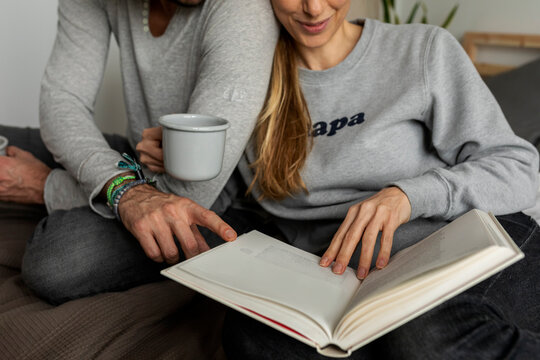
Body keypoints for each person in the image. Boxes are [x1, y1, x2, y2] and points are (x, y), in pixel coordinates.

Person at [136, 0, 540, 358]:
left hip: (466, 248)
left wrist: (406, 196)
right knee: (252, 337)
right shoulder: (248, 80)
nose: (313, 8)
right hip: (340, 286)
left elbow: (519, 166)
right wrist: (175, 161)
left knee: (422, 337)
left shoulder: (421, 50)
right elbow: (223, 197)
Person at [0, 0, 278, 305]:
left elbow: (190, 192)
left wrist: (45, 186)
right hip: (140, 161)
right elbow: (63, 99)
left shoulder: (243, 9)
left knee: (58, 259)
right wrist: (121, 186)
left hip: (217, 203)